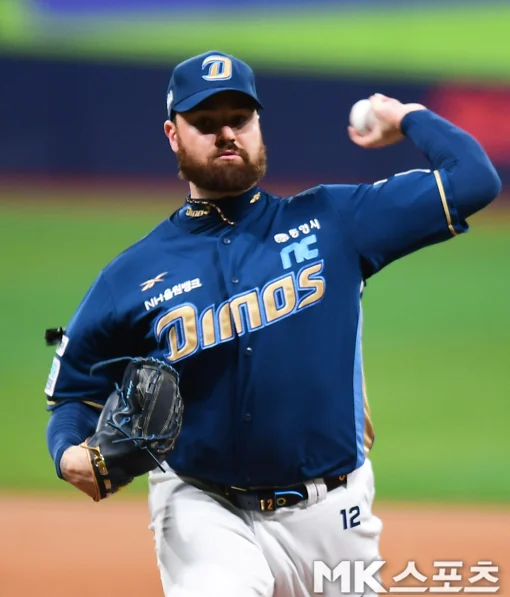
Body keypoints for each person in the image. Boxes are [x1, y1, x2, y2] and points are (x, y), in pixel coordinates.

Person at [44, 50, 501, 597]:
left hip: (336, 516)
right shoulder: (132, 276)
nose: (226, 134)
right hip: (203, 509)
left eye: (239, 119)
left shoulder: (335, 220)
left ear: (259, 125)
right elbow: (73, 394)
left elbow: (474, 179)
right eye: (205, 122)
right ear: (173, 135)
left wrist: (406, 116)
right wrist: (69, 454)